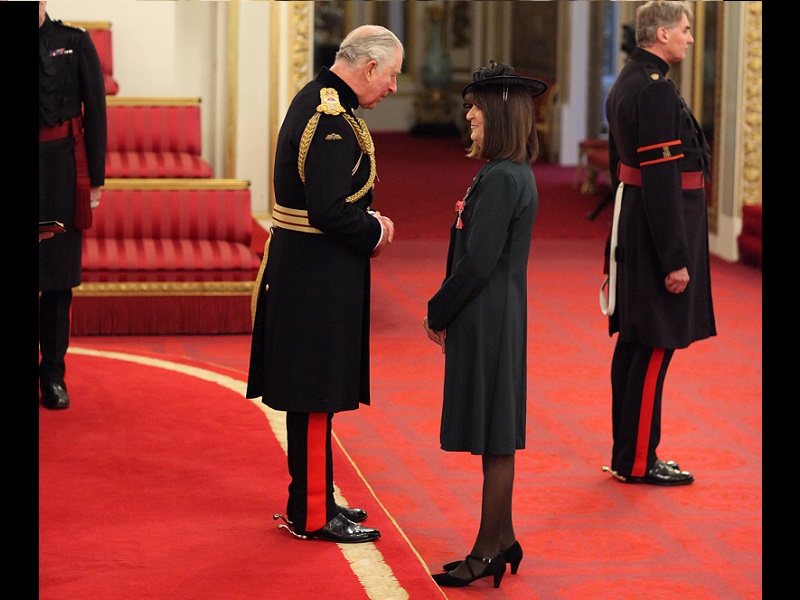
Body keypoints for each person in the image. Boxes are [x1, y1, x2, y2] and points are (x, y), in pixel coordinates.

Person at [246, 25, 402, 544]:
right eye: (393, 76)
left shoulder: (325, 99)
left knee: (317, 395)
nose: (394, 88)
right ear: (370, 67)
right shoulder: (330, 116)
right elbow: (330, 212)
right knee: (315, 395)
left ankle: (313, 495)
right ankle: (313, 514)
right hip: (316, 276)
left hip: (309, 270)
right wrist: (375, 231)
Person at [423, 60, 546, 589]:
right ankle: (506, 537)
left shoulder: (501, 178)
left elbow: (477, 261)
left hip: (488, 315)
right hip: (497, 313)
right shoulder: (505, 171)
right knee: (495, 433)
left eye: (474, 106)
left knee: (496, 440)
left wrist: (437, 310)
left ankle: (486, 552)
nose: (468, 114)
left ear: (496, 113)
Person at [601, 1, 715, 486]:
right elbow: (662, 177)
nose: (690, 38)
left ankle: (631, 453)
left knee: (634, 345)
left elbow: (621, 170)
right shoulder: (656, 91)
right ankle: (638, 460)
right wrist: (675, 258)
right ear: (662, 33)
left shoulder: (630, 79)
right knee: (653, 347)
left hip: (634, 224)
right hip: (658, 233)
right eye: (685, 31)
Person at [39, 0, 107, 410]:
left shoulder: (75, 42)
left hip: (61, 174)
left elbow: (95, 111)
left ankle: (53, 375)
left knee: (57, 282)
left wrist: (94, 180)